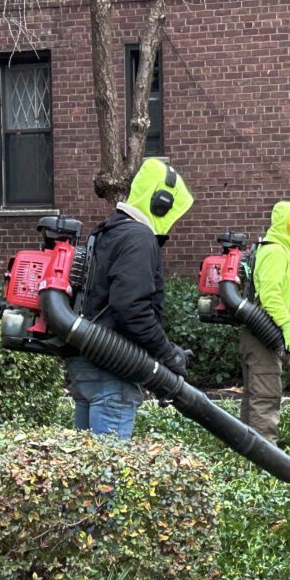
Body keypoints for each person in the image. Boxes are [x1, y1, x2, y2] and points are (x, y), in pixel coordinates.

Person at [67, 158, 194, 440]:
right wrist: (167, 353)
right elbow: (131, 309)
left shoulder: (108, 231)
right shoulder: (138, 237)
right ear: (161, 202)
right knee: (107, 473)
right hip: (111, 367)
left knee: (85, 466)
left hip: (88, 360)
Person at [240, 201, 290, 443]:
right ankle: (265, 457)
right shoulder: (274, 252)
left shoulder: (276, 249)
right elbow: (269, 296)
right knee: (265, 394)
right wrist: (286, 325)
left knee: (256, 394)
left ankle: (248, 450)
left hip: (263, 331)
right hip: (264, 332)